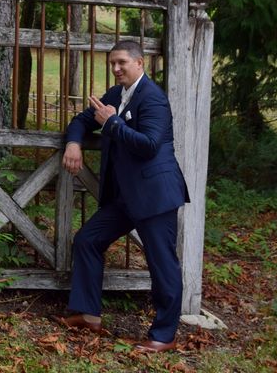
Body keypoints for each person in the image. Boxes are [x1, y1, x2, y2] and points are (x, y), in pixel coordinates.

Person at [54, 40, 189, 353]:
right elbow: (82, 120)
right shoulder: (115, 94)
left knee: (162, 264)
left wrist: (112, 123)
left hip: (155, 195)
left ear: (139, 63)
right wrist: (74, 143)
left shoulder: (154, 99)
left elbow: (149, 145)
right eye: (112, 63)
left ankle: (164, 335)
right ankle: (88, 314)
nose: (115, 69)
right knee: (88, 239)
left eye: (122, 63)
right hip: (125, 196)